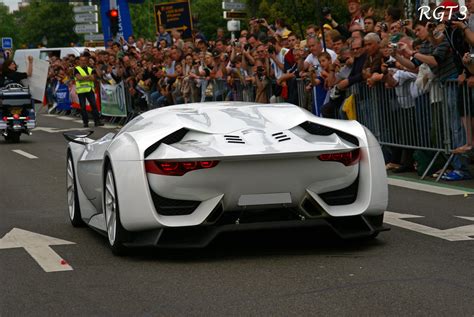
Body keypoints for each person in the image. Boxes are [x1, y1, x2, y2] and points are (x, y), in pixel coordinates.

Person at [74, 55, 103, 128]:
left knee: (94, 105)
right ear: (79, 61)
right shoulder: (76, 69)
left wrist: (85, 77)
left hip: (90, 90)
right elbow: (79, 78)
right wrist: (88, 77)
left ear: (86, 61)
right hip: (81, 91)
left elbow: (93, 78)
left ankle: (97, 121)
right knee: (83, 107)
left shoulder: (90, 69)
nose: (83, 62)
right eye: (81, 60)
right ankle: (85, 122)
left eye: (84, 60)